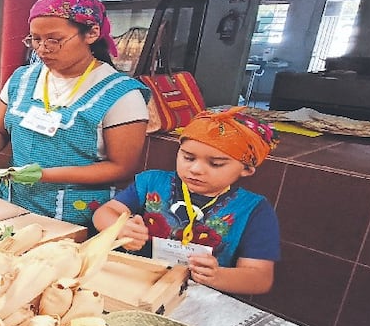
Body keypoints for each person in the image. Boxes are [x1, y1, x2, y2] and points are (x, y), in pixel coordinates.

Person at [0, 0, 150, 226]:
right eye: (35, 39)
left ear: (91, 33)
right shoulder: (22, 79)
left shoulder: (120, 94)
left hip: (77, 216)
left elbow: (122, 168)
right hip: (14, 207)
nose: (42, 49)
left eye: (54, 40)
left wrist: (44, 176)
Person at [92, 107, 280, 295]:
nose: (196, 169)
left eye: (215, 164)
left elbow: (260, 278)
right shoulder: (152, 182)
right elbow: (104, 213)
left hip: (198, 298)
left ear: (246, 169)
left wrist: (217, 276)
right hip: (137, 285)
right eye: (188, 157)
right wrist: (120, 228)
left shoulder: (253, 210)